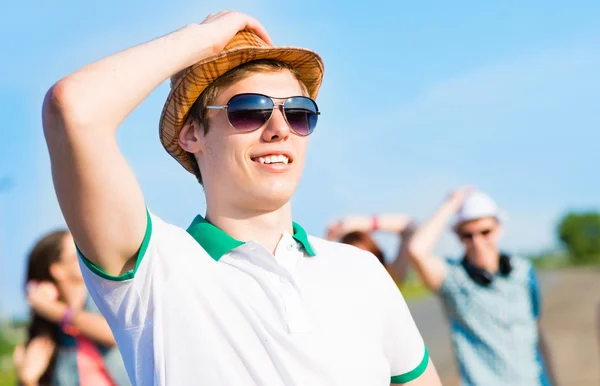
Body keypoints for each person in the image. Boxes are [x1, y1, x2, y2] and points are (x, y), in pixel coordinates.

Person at [41, 10, 441, 386]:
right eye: (250, 110)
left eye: (299, 112)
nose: (280, 128)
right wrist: (202, 40)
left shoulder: (362, 272)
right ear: (192, 133)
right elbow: (74, 108)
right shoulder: (153, 269)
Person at [407, 188, 557, 386]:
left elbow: (537, 332)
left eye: (485, 232)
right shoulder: (453, 279)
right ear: (458, 237)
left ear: (499, 229)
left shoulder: (523, 271)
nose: (477, 242)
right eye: (467, 235)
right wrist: (452, 203)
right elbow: (416, 250)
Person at [13, 230, 128, 386]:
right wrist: (27, 381)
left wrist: (51, 309)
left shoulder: (105, 300)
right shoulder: (46, 338)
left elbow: (115, 334)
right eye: (78, 254)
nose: (88, 256)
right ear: (57, 270)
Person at [326, 214, 416, 282]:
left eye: (365, 255)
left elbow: (410, 227)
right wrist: (329, 239)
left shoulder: (389, 279)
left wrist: (365, 223)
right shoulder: (342, 286)